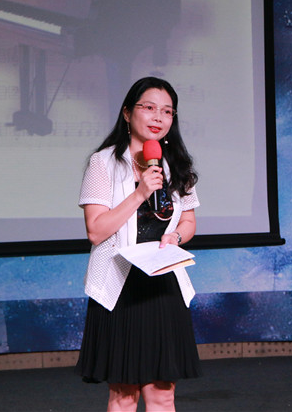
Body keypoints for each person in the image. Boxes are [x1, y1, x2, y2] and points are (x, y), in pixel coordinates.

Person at [75, 76, 201, 412]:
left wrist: (176, 237)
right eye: (149, 108)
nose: (159, 117)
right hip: (120, 287)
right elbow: (96, 231)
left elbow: (188, 222)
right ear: (128, 113)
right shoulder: (103, 163)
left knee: (163, 395)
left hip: (163, 286)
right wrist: (140, 192)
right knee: (124, 395)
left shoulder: (176, 165)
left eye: (167, 111)